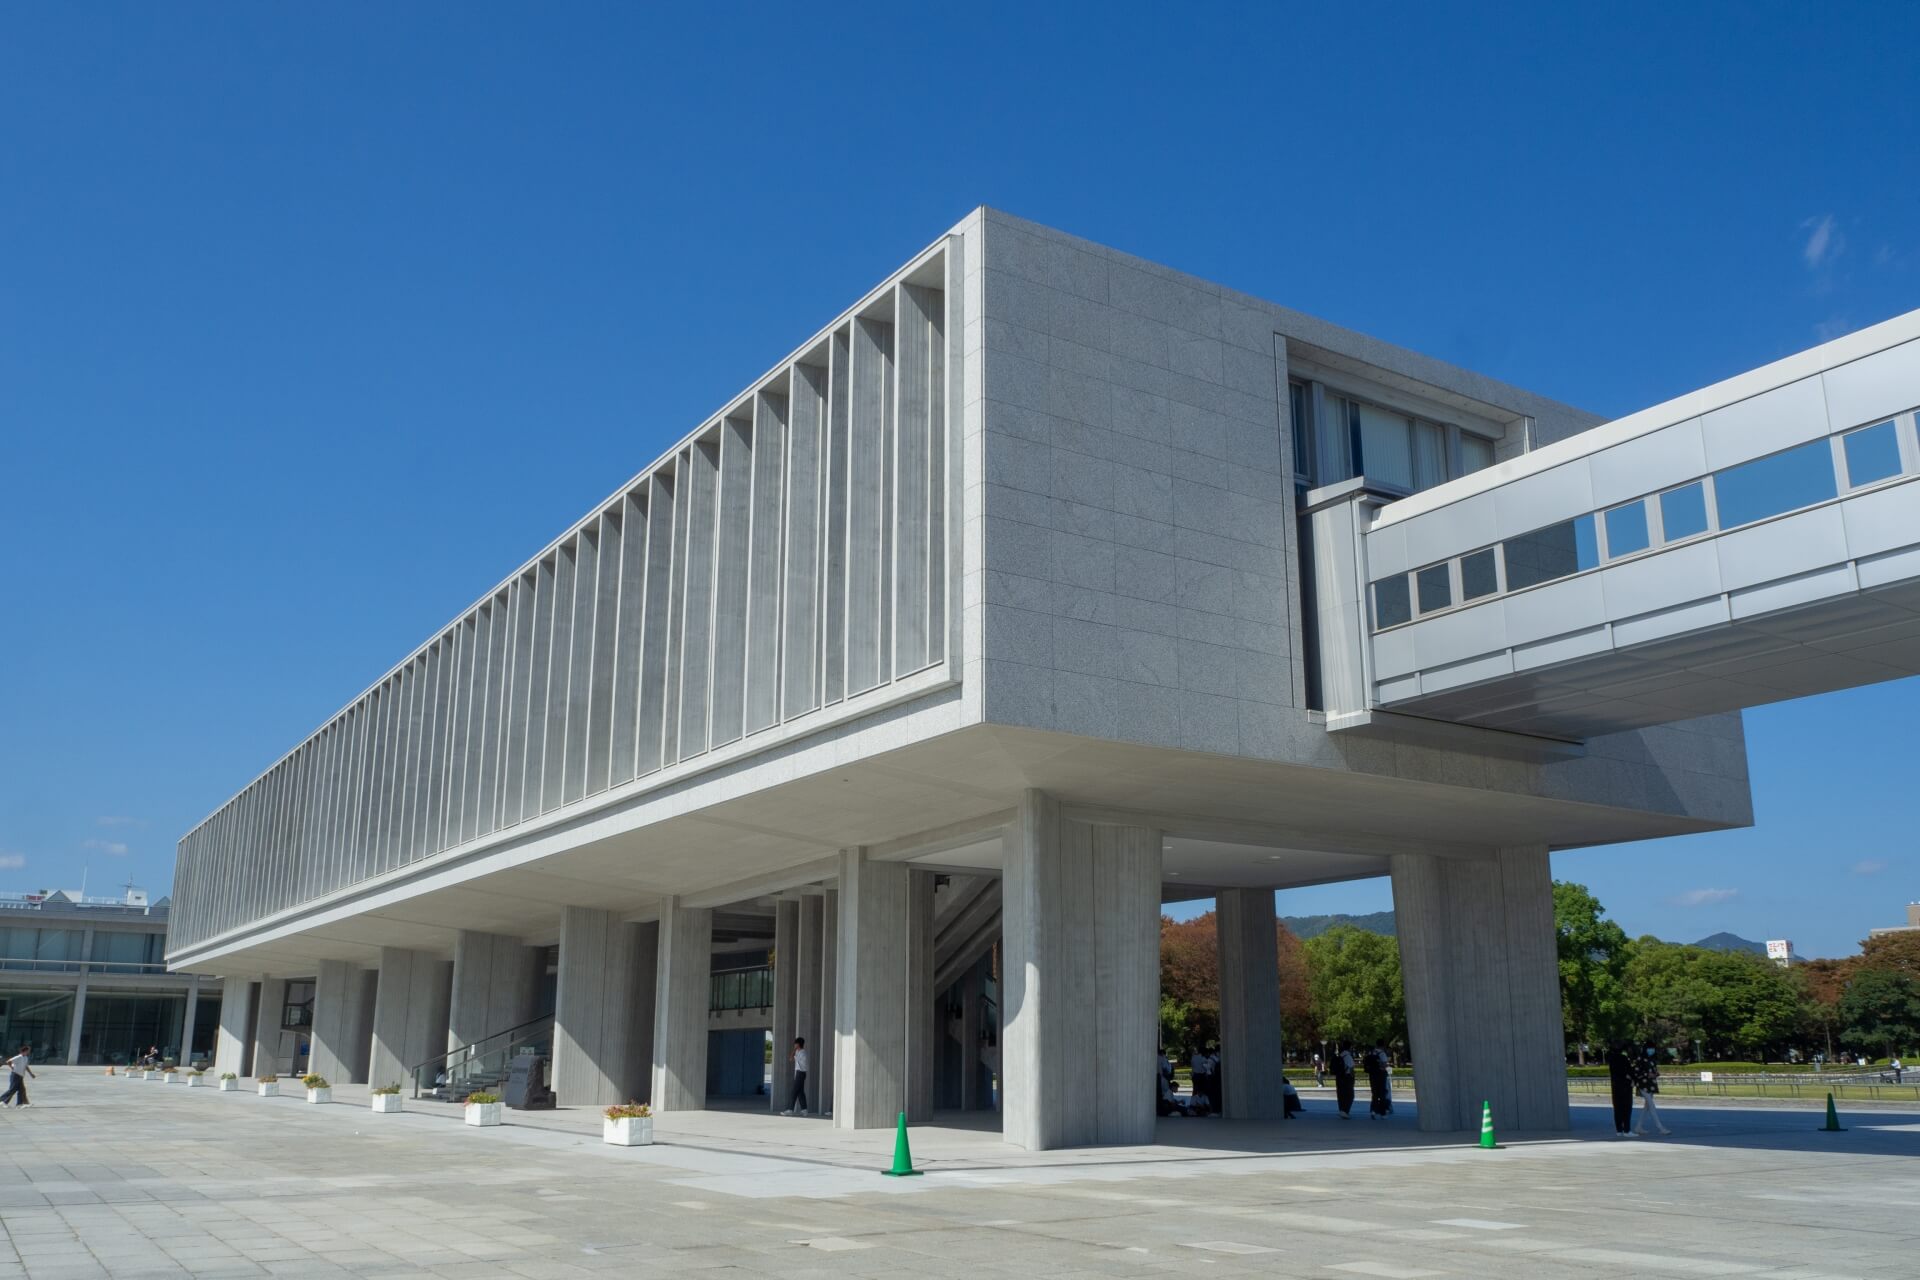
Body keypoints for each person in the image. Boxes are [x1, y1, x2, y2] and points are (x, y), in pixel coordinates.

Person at [1631, 1043, 1670, 1137]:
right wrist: (1647, 1075)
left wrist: (1655, 1074)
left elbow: (1653, 1071)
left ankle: (1638, 1126)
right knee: (1651, 1105)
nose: (1651, 1050)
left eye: (1653, 1048)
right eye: (1650, 1048)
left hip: (1651, 1084)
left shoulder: (1652, 1059)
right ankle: (1660, 1127)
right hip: (1643, 1084)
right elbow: (1636, 1072)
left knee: (1647, 1107)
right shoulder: (1640, 1059)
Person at [1605, 1043, 1635, 1138]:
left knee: (1617, 1108)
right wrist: (1632, 1079)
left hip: (1615, 1086)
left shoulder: (1611, 1059)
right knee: (1626, 1108)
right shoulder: (1623, 1058)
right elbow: (1629, 1071)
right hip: (1625, 1086)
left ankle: (1619, 1130)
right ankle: (1627, 1130)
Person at [779, 1036, 810, 1116]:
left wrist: (795, 1052)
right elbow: (790, 1058)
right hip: (798, 1073)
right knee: (800, 1092)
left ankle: (790, 1109)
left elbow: (795, 1060)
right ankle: (804, 1110)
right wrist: (794, 1050)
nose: (794, 1045)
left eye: (795, 1044)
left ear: (798, 1044)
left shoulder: (803, 1053)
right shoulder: (797, 1052)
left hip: (801, 1073)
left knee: (794, 1091)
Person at [1366, 1043, 1392, 1117]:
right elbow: (1384, 1064)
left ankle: (1373, 1110)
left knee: (1374, 1093)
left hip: (1372, 1075)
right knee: (1382, 1093)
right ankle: (1382, 1112)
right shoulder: (1382, 1053)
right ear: (1383, 1046)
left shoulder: (1372, 1052)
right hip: (1380, 1075)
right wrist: (1387, 1068)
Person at [1334, 1043, 1356, 1118]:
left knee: (1341, 1094)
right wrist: (1353, 1077)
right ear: (1350, 1047)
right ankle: (1345, 1110)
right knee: (1350, 1095)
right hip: (1347, 1077)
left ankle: (1341, 1110)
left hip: (1339, 1077)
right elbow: (1351, 1068)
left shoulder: (1340, 1055)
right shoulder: (1348, 1056)